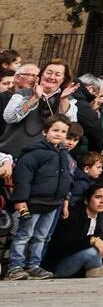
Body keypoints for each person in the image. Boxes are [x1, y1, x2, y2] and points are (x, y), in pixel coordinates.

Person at [6, 116, 74, 279]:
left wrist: (65, 199)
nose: (59, 134)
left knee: (42, 236)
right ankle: (15, 266)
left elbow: (66, 179)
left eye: (63, 131)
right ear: (45, 131)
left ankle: (34, 265)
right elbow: (23, 179)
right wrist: (20, 200)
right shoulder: (34, 154)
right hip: (33, 203)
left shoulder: (64, 154)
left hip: (53, 203)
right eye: (55, 130)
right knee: (24, 234)